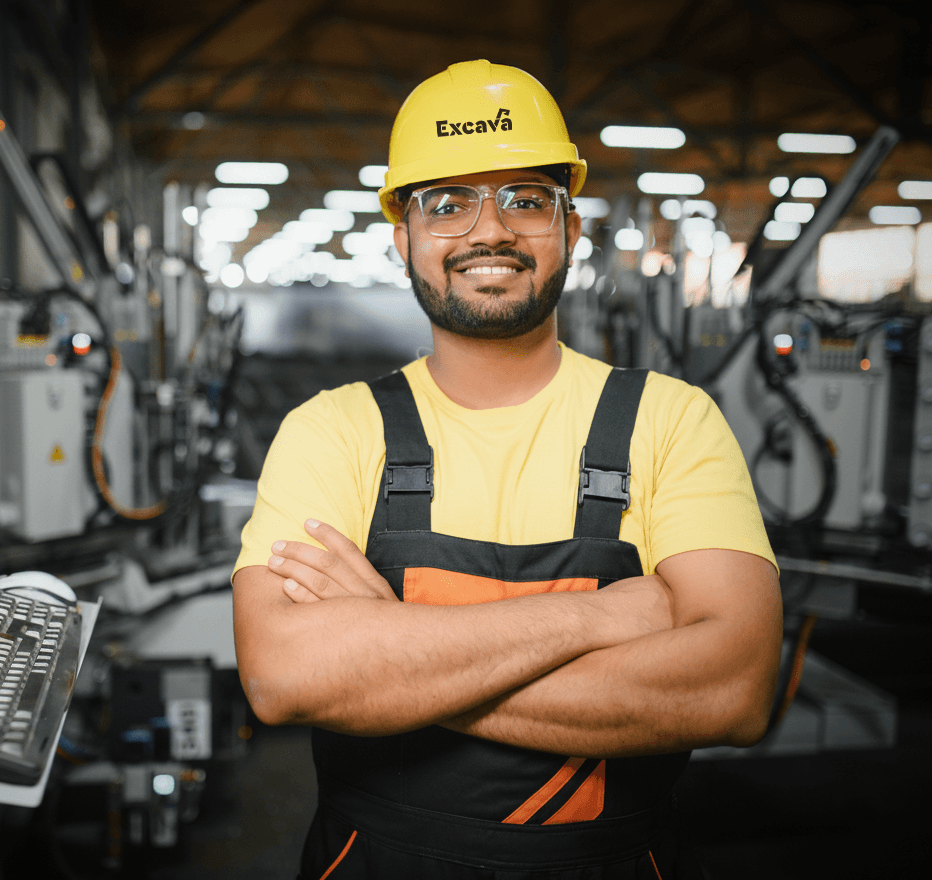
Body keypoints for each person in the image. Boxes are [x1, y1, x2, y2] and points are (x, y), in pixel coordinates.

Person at [231, 59, 782, 879]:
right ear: (403, 238)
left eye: (526, 199)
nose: (489, 231)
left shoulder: (670, 422)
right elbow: (283, 676)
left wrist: (389, 655)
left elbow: (732, 689)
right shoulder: (332, 431)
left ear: (570, 228)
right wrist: (597, 620)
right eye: (446, 203)